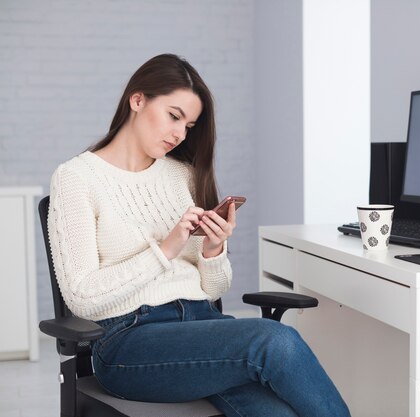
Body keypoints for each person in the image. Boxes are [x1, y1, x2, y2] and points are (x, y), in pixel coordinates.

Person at [47, 53, 351, 417]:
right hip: (128, 344)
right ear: (138, 100)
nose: (179, 134)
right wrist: (165, 250)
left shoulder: (182, 176)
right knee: (275, 341)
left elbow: (212, 290)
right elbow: (81, 296)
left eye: (189, 126)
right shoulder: (76, 178)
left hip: (202, 328)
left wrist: (213, 249)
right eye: (174, 116)